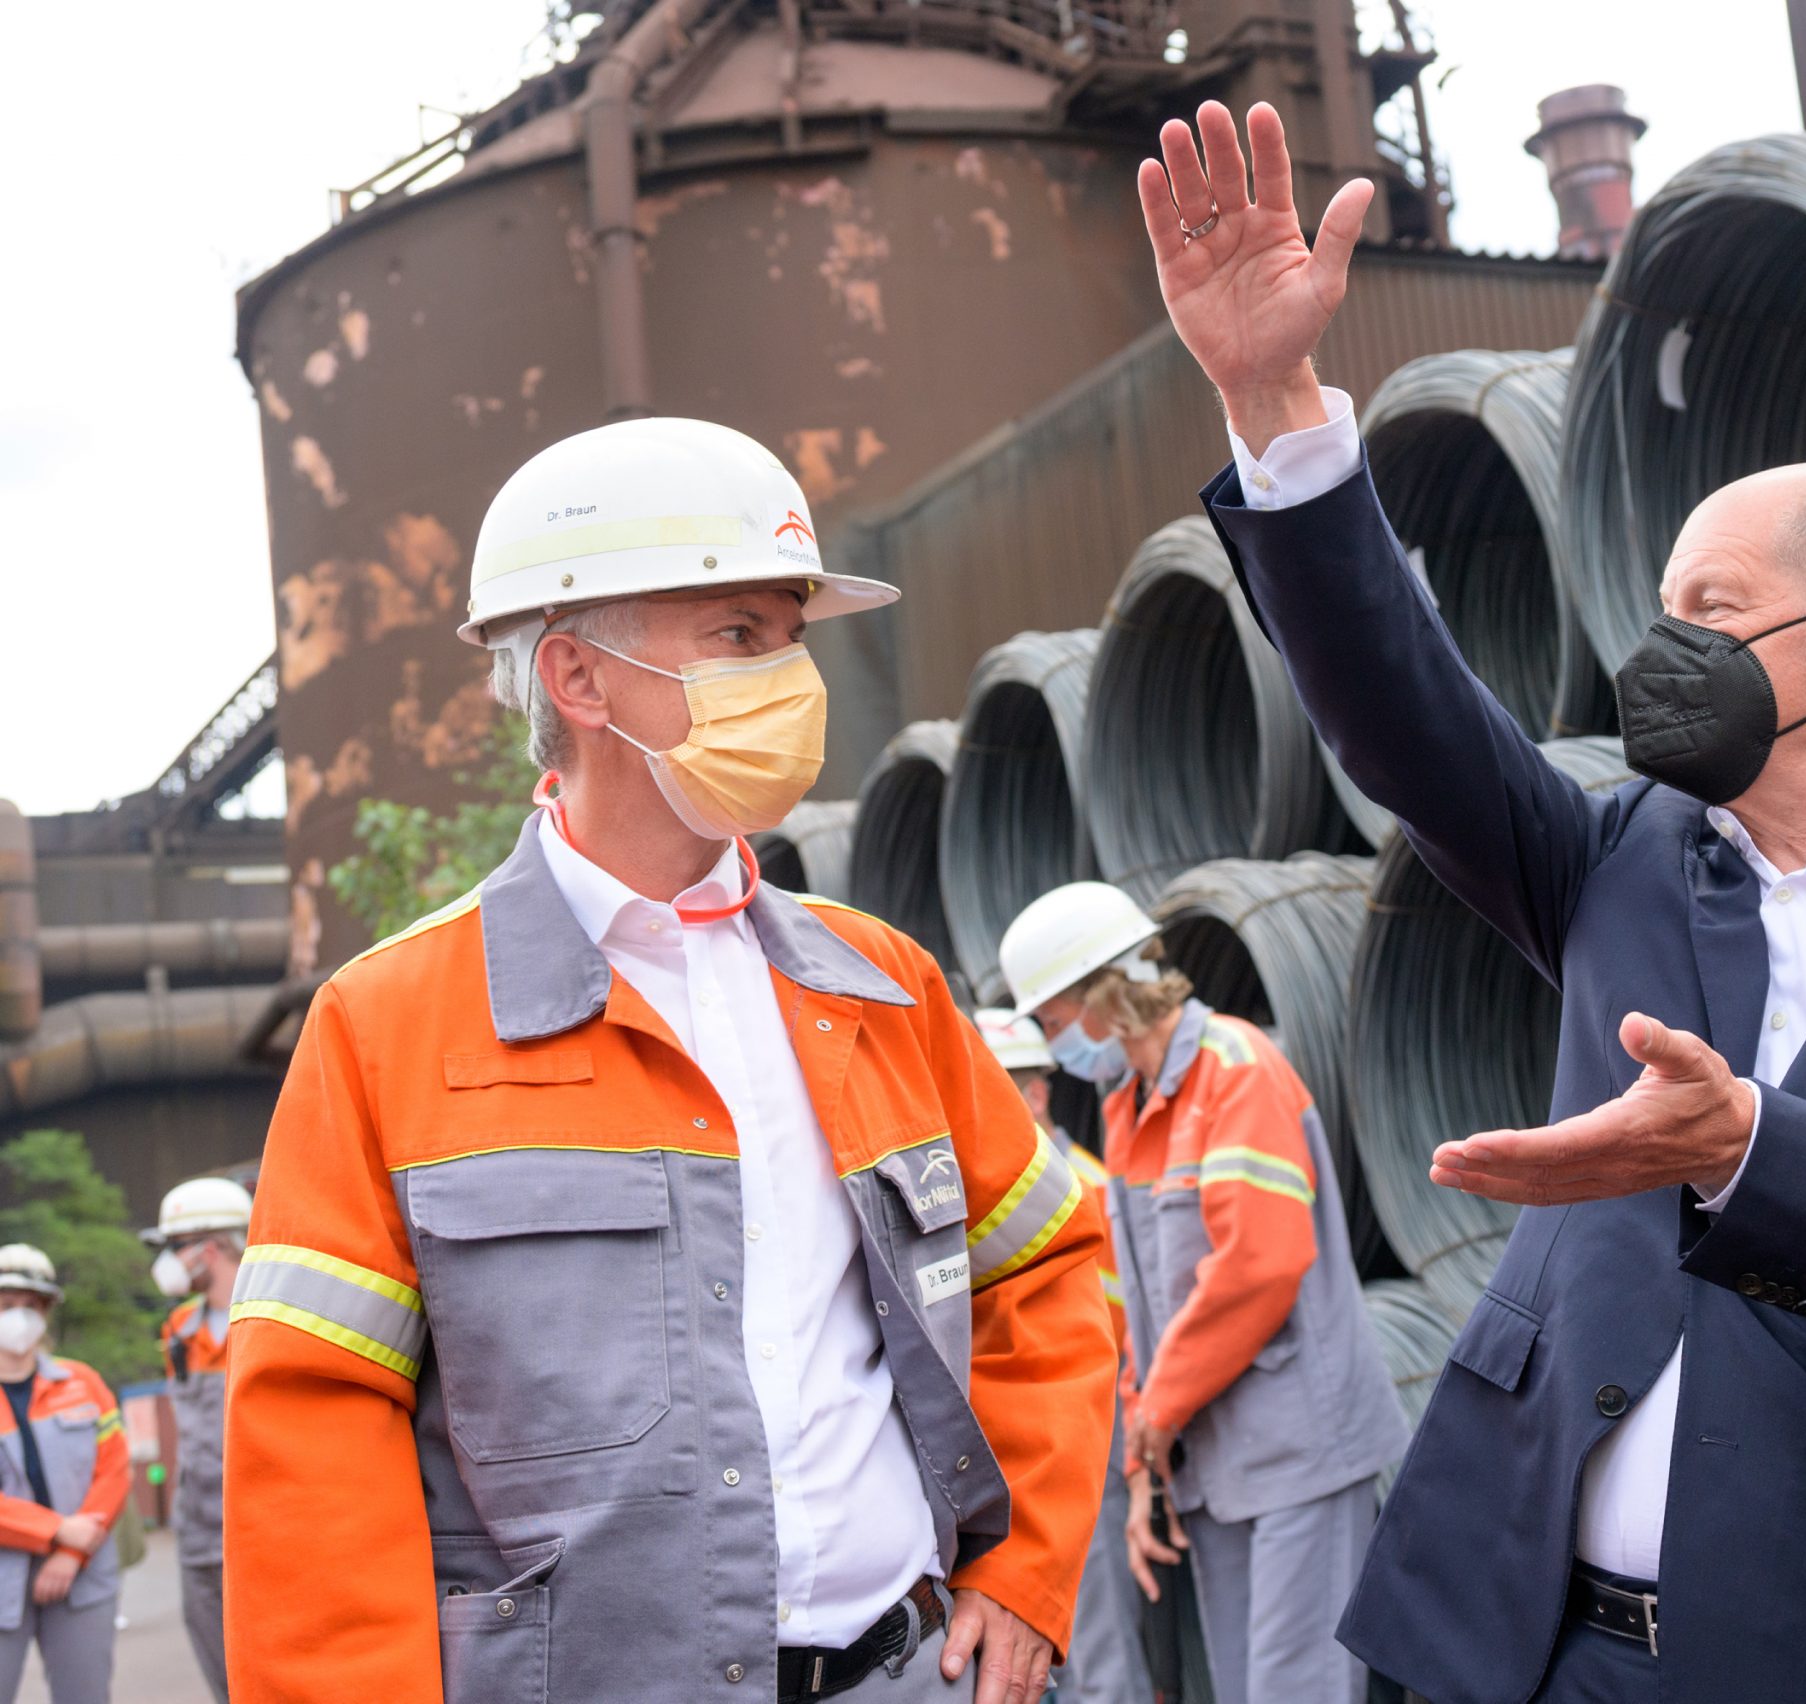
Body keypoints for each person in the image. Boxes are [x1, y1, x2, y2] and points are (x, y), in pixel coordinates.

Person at [1139, 102, 1806, 1704]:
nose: (1665, 650)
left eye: (1715, 609)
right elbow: (1403, 715)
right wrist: (1272, 402)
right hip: (1522, 1648)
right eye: (1661, 611)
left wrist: (1750, 1151)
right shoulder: (1620, 857)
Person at [225, 418, 1117, 1704]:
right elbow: (308, 1446)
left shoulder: (883, 987)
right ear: (580, 682)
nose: (793, 683)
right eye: (739, 638)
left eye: (791, 637)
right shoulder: (388, 1023)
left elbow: (1046, 1263)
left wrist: (1025, 1567)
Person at [997, 883, 1404, 1704]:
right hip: (1213, 1464)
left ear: (1101, 995)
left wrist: (1155, 1414)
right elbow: (1144, 1304)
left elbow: (1259, 1264)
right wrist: (1142, 1461)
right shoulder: (1127, 1105)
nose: (1055, 1045)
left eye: (1050, 1022)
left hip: (1299, 1455)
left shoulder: (1236, 1068)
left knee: (1298, 1690)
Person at [970, 1009, 1149, 1704]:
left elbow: (1124, 1326)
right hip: (997, 1437)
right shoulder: (962, 1189)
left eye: (1011, 1085)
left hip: (1084, 1428)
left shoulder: (1090, 1186)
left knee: (1092, 1644)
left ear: (1039, 1093)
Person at [0, 1245, 129, 1704]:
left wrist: (71, 1552)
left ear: (47, 1312)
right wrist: (57, 1530)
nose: (19, 1317)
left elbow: (114, 1470)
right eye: (6, 1305)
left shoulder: (83, 1383)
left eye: (30, 1307)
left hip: (82, 1571)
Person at [141, 1174, 253, 1704]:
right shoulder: (179, 1330)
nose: (169, 1260)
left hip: (260, 1520)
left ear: (211, 1247)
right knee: (219, 1665)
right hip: (198, 1527)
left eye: (176, 1247)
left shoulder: (268, 1313)